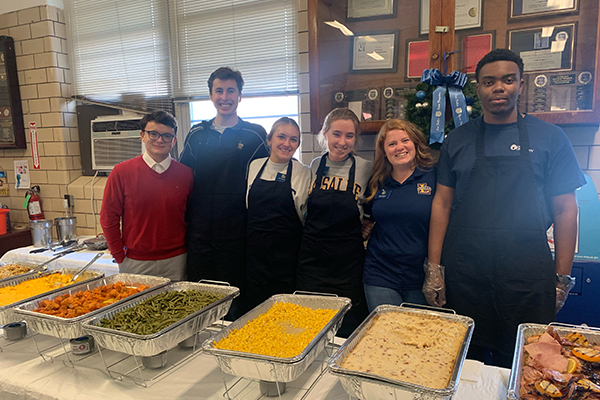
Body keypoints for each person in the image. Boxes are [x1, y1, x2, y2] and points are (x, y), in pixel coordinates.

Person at [424, 49, 585, 367]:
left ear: (520, 85)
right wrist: (433, 269)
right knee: (462, 364)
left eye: (508, 80)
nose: (499, 87)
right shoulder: (457, 140)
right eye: (489, 81)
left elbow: (566, 209)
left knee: (526, 367)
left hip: (526, 279)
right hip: (465, 276)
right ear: (478, 88)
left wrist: (562, 279)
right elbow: (442, 203)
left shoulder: (551, 138)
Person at [179, 67, 268, 318]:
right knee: (199, 299)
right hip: (200, 232)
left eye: (231, 90)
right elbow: (183, 179)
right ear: (210, 95)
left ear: (240, 96)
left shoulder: (255, 135)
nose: (225, 96)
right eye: (219, 90)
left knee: (234, 301)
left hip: (237, 232)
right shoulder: (197, 134)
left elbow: (266, 180)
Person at [297, 108, 372, 338]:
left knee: (347, 325)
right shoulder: (314, 166)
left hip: (347, 264)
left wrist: (368, 224)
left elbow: (373, 206)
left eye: (349, 136)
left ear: (355, 138)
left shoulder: (366, 167)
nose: (342, 142)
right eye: (336, 134)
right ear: (325, 134)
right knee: (309, 323)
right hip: (312, 262)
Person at [100, 110, 193, 281]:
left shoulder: (186, 174)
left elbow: (191, 217)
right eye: (154, 134)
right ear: (142, 135)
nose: (160, 140)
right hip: (135, 262)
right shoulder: (121, 172)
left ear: (174, 141)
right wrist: (119, 256)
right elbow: (108, 218)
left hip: (177, 261)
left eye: (166, 136)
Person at [362, 120, 435, 312]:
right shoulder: (377, 181)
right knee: (385, 337)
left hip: (420, 275)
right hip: (380, 273)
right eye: (392, 144)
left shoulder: (433, 177)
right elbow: (367, 219)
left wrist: (437, 272)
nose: (399, 147)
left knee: (418, 338)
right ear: (384, 151)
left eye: (405, 140)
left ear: (416, 143)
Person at [245, 117, 312, 310]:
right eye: (281, 137)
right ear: (269, 139)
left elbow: (305, 214)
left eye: (293, 139)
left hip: (287, 261)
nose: (286, 143)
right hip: (255, 260)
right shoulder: (254, 166)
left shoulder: (303, 172)